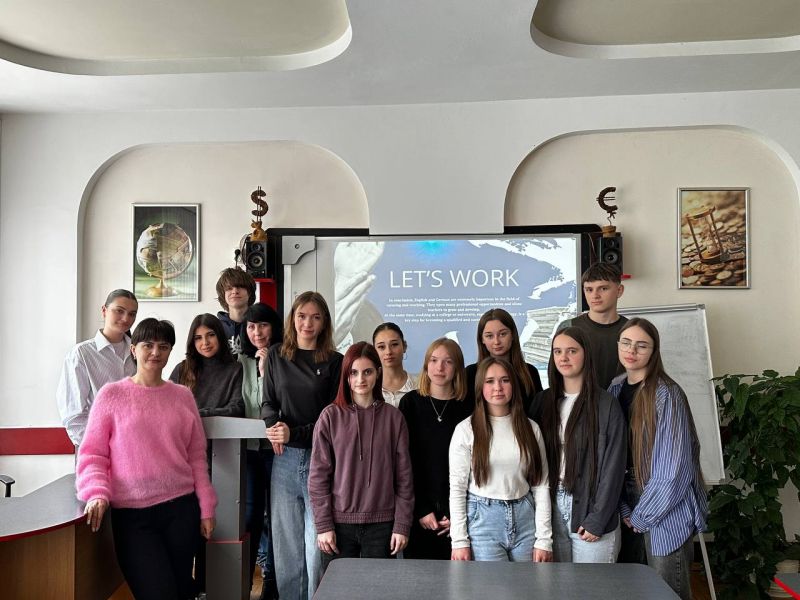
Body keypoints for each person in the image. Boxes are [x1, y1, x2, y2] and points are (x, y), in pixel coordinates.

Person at [76, 318, 217, 600]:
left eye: (163, 346)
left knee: (182, 591)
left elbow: (196, 457)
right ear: (133, 349)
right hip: (133, 517)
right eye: (148, 345)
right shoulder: (111, 395)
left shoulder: (182, 396)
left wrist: (206, 507)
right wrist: (96, 492)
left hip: (181, 511)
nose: (155, 352)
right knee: (158, 592)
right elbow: (93, 453)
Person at [609, 318, 707, 600]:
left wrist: (642, 516)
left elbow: (673, 470)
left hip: (664, 505)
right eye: (626, 343)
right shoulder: (615, 388)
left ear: (653, 351)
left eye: (642, 346)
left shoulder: (667, 394)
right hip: (626, 501)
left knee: (666, 591)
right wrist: (625, 508)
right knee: (633, 590)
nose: (632, 350)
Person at [261, 291, 343, 600]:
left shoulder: (335, 361)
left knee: (315, 549)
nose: (307, 323)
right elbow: (268, 403)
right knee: (287, 550)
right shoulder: (276, 355)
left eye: (315, 317)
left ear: (324, 323)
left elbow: (332, 417)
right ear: (292, 319)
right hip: (284, 459)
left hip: (321, 460)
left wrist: (292, 433)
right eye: (302, 316)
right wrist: (274, 427)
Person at [309, 342, 414, 572]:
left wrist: (402, 524)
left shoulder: (394, 419)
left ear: (378, 373)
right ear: (346, 376)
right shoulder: (330, 417)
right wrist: (324, 525)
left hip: (382, 525)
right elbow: (318, 477)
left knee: (377, 589)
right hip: (338, 525)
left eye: (367, 372)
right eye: (354, 373)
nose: (360, 379)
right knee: (337, 590)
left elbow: (404, 478)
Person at [529, 327, 626, 563]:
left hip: (590, 508)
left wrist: (598, 518)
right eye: (557, 351)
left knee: (591, 584)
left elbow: (614, 468)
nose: (564, 357)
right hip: (550, 507)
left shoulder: (606, 405)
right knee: (557, 583)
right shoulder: (542, 402)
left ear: (586, 354)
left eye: (572, 351)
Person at [449, 357, 552, 562]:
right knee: (492, 583)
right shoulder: (466, 430)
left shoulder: (531, 428)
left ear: (513, 385)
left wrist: (544, 540)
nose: (498, 387)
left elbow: (541, 485)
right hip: (483, 521)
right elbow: (458, 488)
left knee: (528, 583)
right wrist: (459, 541)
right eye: (490, 381)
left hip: (525, 519)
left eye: (505, 380)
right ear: (480, 387)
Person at [398, 338, 471, 560]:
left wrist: (455, 514)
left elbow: (473, 465)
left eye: (448, 362)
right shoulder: (410, 403)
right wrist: (421, 509)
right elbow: (404, 462)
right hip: (419, 512)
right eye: (434, 360)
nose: (440, 367)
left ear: (457, 368)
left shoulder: (469, 406)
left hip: (458, 516)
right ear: (426, 365)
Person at [239, 303, 283, 600]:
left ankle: (272, 583)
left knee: (278, 518)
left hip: (279, 450)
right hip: (247, 451)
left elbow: (282, 403)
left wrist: (268, 370)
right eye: (251, 326)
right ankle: (243, 583)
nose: (257, 332)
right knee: (251, 516)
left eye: (263, 325)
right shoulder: (238, 362)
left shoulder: (286, 358)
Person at [57, 289, 138, 447]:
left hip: (132, 446)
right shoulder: (82, 354)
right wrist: (99, 446)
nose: (126, 318)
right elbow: (73, 415)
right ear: (104, 310)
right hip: (95, 447)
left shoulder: (138, 351)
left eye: (132, 314)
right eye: (119, 311)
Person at [556, 262, 627, 389]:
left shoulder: (631, 330)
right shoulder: (568, 328)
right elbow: (556, 375)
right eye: (589, 289)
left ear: (619, 290)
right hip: (580, 400)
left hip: (623, 400)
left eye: (603, 288)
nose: (595, 295)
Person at [466, 308, 542, 413]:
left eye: (502, 334)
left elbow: (539, 413)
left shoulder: (530, 372)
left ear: (512, 335)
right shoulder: (471, 374)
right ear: (482, 339)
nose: (496, 341)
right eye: (489, 336)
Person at [169, 313, 244, 418]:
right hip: (186, 427)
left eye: (211, 335)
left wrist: (200, 414)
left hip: (223, 428)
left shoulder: (236, 369)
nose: (205, 342)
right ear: (192, 342)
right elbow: (168, 406)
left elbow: (236, 408)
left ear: (220, 336)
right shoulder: (181, 369)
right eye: (198, 338)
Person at [373, 322, 417, 407]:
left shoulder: (420, 386)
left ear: (404, 346)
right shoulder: (369, 388)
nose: (388, 352)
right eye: (381, 347)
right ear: (374, 350)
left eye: (394, 344)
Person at [216, 267, 257, 355]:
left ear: (249, 292)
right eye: (229, 288)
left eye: (240, 287)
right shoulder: (215, 327)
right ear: (223, 294)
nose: (235, 291)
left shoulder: (260, 325)